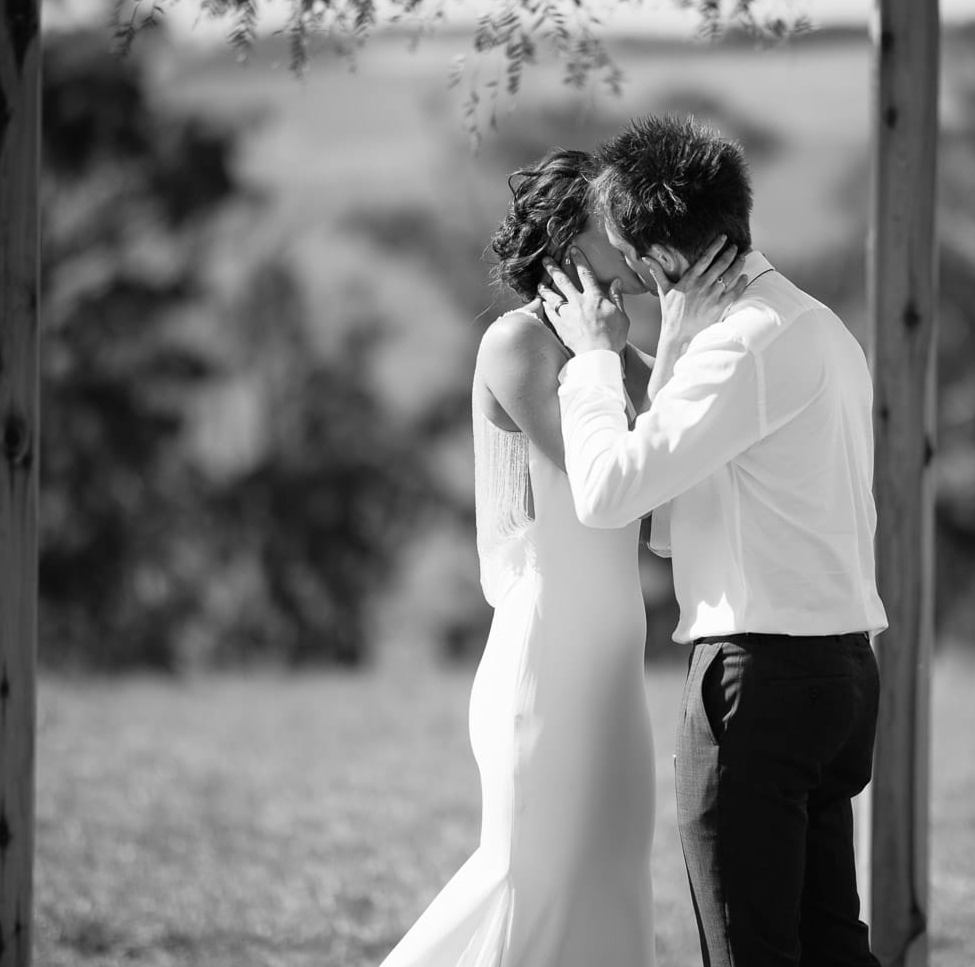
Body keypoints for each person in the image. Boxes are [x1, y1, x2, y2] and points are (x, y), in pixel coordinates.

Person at [375, 147, 744, 967]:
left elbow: (670, 463)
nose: (632, 234)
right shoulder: (516, 344)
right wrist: (630, 351)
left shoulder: (614, 348)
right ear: (570, 239)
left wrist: (675, 330)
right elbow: (603, 486)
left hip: (612, 667)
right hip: (544, 662)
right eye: (613, 221)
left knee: (609, 885)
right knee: (525, 882)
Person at [541, 115, 890, 967]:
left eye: (623, 255)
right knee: (829, 949)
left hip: (758, 678)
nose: (617, 273)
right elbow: (674, 523)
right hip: (838, 669)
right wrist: (670, 349)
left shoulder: (740, 348)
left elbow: (611, 491)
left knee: (746, 952)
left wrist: (592, 360)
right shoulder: (812, 325)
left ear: (658, 259)